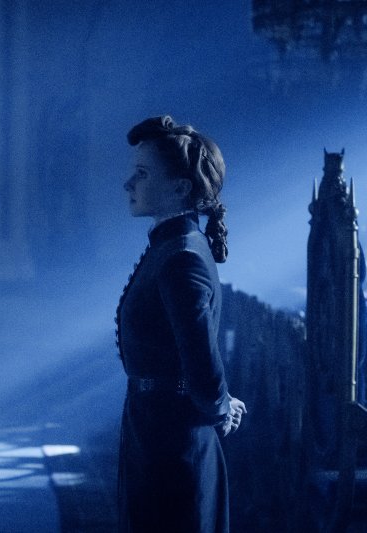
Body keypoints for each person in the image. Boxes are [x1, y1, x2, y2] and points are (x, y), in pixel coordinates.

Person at [115, 115, 246, 533]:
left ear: (180, 187)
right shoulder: (172, 247)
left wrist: (220, 404)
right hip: (155, 431)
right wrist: (220, 401)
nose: (128, 184)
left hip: (171, 445)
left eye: (142, 174)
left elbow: (201, 362)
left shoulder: (182, 256)